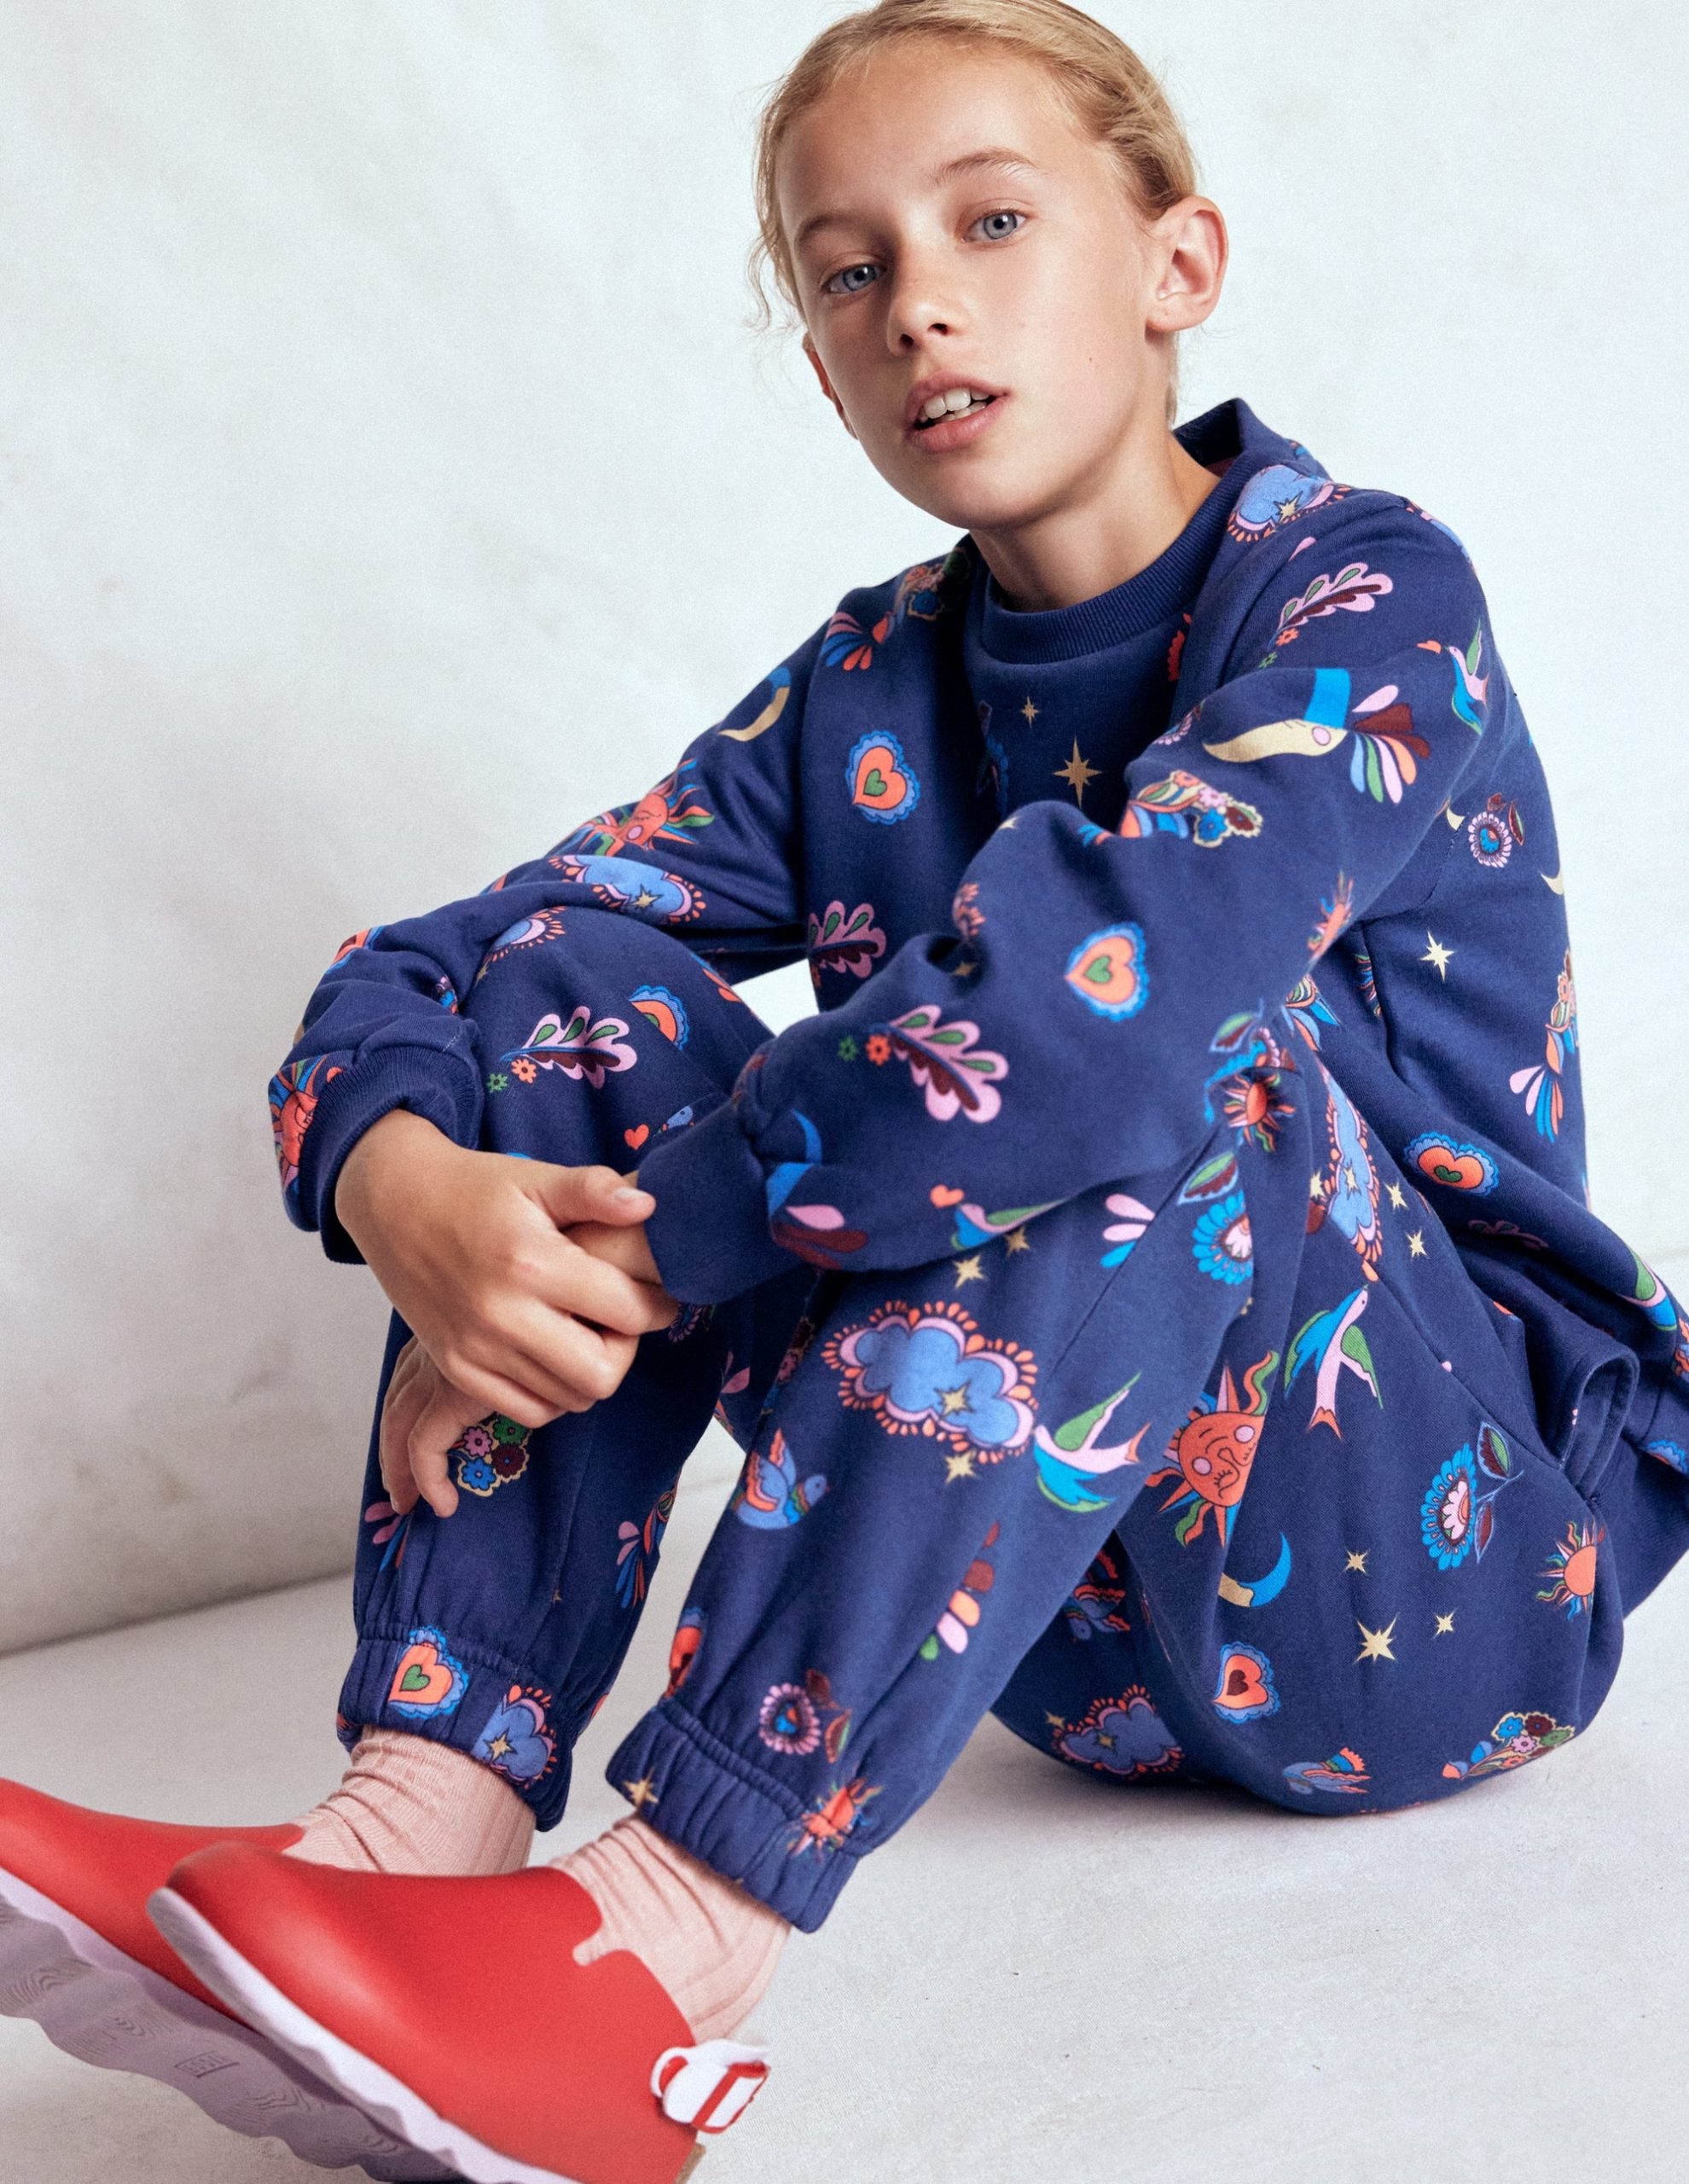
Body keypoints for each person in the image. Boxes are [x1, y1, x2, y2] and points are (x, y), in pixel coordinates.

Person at [4, 3, 1687, 2180]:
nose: (922, 308)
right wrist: (409, 1189)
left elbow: (1104, 1020)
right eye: (849, 268)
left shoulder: (1367, 596)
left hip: (1436, 1595)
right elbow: (462, 954)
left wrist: (659, 1246)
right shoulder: (864, 687)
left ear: (1177, 262)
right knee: (579, 993)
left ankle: (652, 1959)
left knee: (1163, 1062)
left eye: (990, 222)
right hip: (1048, 1634)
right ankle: (415, 1828)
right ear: (818, 363)